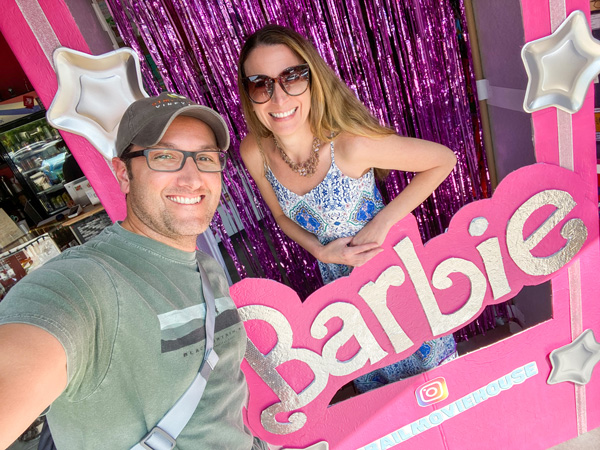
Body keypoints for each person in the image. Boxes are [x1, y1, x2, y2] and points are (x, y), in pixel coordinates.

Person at [0, 92, 266, 449]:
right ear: (123, 173)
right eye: (165, 157)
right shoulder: (81, 285)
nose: (192, 178)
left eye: (205, 158)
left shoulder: (205, 267)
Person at [237, 25, 458, 393]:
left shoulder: (350, 146)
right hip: (342, 300)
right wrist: (320, 250)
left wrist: (383, 222)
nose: (278, 97)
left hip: (393, 282)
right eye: (261, 84)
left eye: (292, 77)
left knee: (435, 389)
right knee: (379, 398)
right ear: (249, 94)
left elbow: (442, 160)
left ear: (311, 78)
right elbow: (279, 217)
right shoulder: (254, 151)